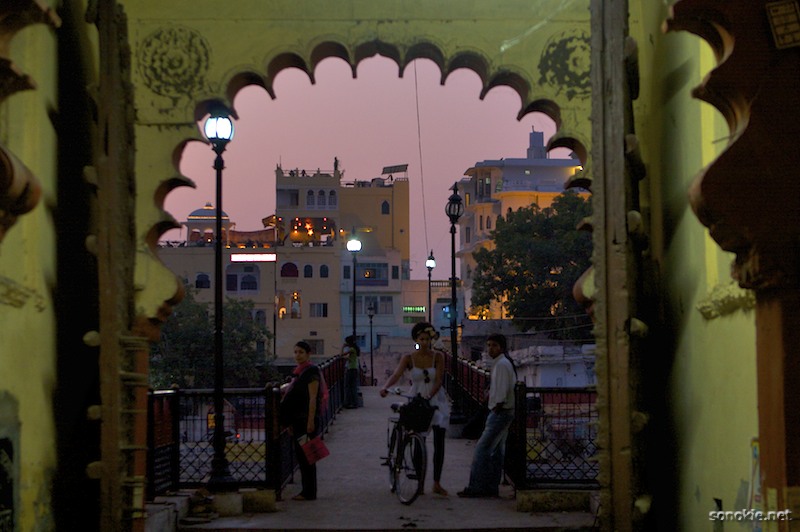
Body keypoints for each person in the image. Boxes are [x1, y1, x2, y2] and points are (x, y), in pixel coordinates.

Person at [379, 322, 450, 496]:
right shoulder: (409, 358)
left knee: (439, 442)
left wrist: (430, 396)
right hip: (417, 399)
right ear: (416, 340)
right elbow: (396, 374)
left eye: (427, 339)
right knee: (419, 440)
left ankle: (436, 482)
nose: (424, 343)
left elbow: (439, 379)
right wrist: (385, 387)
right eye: (421, 339)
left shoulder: (438, 357)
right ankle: (420, 482)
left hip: (436, 400)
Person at [457, 333, 517, 498]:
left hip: (500, 411)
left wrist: (497, 405)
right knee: (496, 451)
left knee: (482, 449)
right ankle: (491, 486)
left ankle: (476, 486)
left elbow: (503, 390)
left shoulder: (502, 365)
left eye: (494, 345)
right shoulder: (500, 364)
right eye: (489, 345)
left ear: (501, 347)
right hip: (503, 411)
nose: (490, 348)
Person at [280, 341, 329, 501]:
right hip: (298, 420)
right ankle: (307, 490)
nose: (297, 355)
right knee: (303, 456)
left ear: (308, 354)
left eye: (301, 352)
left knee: (306, 456)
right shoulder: (299, 373)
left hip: (305, 421)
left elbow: (313, 398)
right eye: (295, 352)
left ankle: (309, 492)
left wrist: (310, 421)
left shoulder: (311, 372)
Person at [342, 336, 361, 408]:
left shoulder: (351, 349)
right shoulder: (354, 349)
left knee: (348, 386)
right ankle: (354, 402)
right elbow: (350, 358)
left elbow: (341, 354)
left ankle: (349, 402)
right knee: (353, 386)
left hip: (351, 369)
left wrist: (343, 347)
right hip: (354, 368)